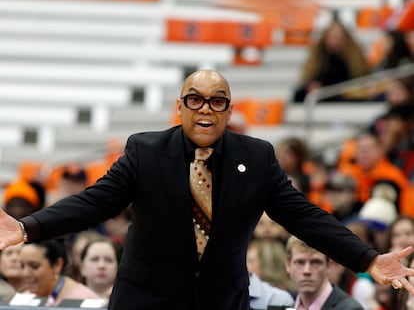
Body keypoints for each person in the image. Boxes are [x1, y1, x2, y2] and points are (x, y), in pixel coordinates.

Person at [0, 69, 414, 310]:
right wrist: (26, 228)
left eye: (217, 102)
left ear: (229, 112)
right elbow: (95, 201)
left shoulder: (256, 157)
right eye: (195, 100)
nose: (205, 109)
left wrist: (368, 259)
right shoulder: (145, 151)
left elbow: (303, 216)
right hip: (146, 300)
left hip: (220, 300)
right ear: (180, 108)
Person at [284, 235, 364, 310]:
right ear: (288, 265)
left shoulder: (350, 308)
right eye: (300, 262)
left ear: (329, 266)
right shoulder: (288, 306)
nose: (307, 271)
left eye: (316, 262)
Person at [19, 239, 102, 307]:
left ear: (57, 265)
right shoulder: (23, 298)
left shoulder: (87, 301)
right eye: (22, 266)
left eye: (34, 266)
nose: (25, 273)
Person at [80, 237, 120, 305]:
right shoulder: (67, 298)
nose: (101, 266)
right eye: (94, 259)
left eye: (108, 260)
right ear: (82, 267)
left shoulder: (128, 301)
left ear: (117, 267)